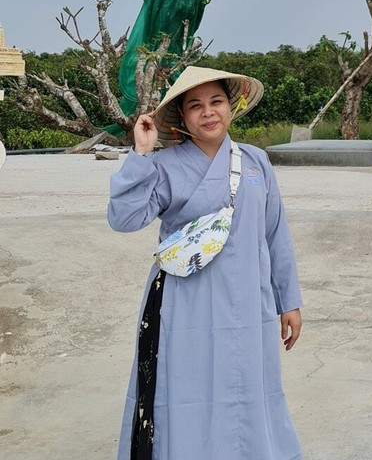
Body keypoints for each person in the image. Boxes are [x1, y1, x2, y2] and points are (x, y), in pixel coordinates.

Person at [108, 66, 303, 460]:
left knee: (248, 385)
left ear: (233, 106)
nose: (208, 112)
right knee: (186, 390)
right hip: (185, 305)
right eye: (195, 106)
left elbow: (275, 234)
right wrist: (141, 154)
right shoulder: (164, 165)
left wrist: (289, 301)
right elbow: (124, 219)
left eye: (216, 102)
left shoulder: (256, 162)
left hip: (250, 302)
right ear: (182, 118)